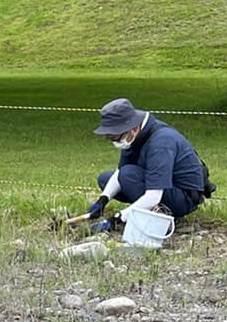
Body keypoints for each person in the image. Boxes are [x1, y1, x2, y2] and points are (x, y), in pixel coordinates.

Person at [85, 98, 212, 231]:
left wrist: (117, 219)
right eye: (110, 137)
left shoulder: (161, 143)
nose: (114, 141)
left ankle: (161, 214)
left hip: (183, 198)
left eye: (116, 137)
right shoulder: (134, 136)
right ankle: (144, 209)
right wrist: (102, 200)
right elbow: (119, 171)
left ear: (132, 129)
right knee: (106, 179)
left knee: (128, 175)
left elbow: (153, 195)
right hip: (163, 187)